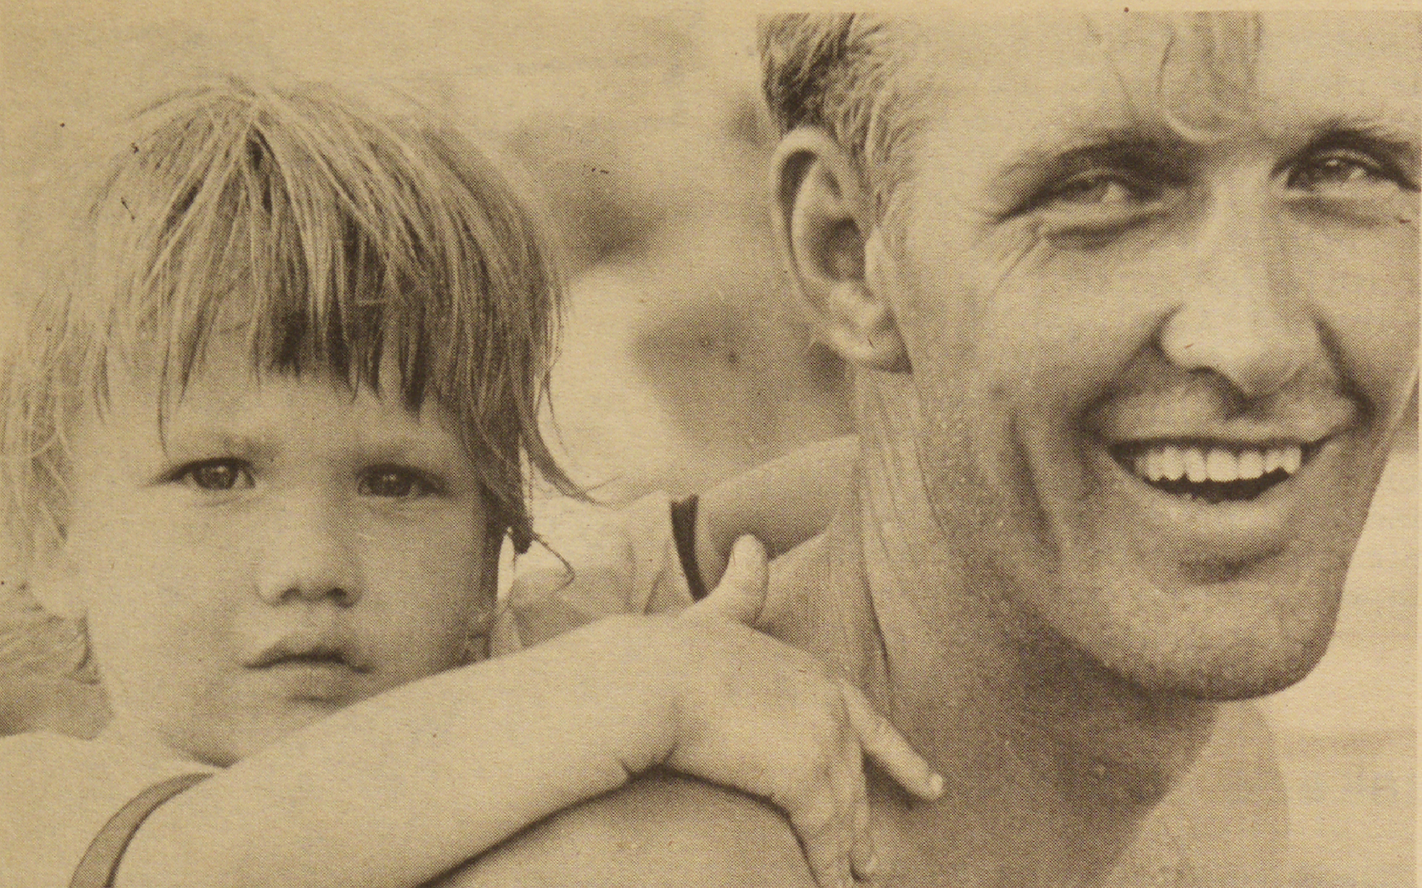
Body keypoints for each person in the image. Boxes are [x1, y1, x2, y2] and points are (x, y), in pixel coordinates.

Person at [450, 11, 1419, 886]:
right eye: (1100, 188)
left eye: (1345, 170)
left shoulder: (1216, 770)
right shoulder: (640, 865)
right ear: (845, 255)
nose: (1255, 339)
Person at [0, 79, 947, 888]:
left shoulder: (506, 657)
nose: (312, 564)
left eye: (396, 483)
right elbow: (222, 860)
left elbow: (789, 512)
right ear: (50, 539)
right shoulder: (38, 807)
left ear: (498, 533)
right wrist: (651, 690)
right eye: (218, 474)